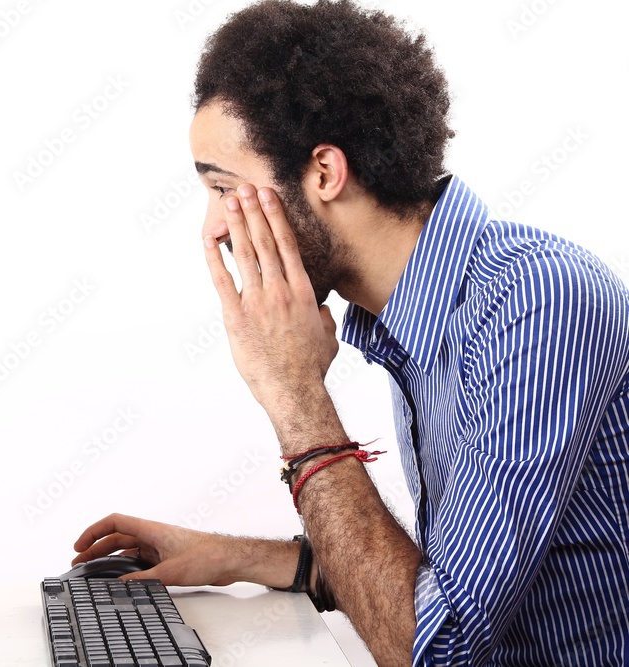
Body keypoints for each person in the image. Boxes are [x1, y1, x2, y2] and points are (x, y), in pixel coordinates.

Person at [72, 1, 629, 665]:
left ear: (325, 173)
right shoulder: (412, 314)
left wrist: (294, 394)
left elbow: (434, 648)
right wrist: (239, 557)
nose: (214, 229)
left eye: (223, 188)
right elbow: (435, 588)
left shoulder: (536, 300)